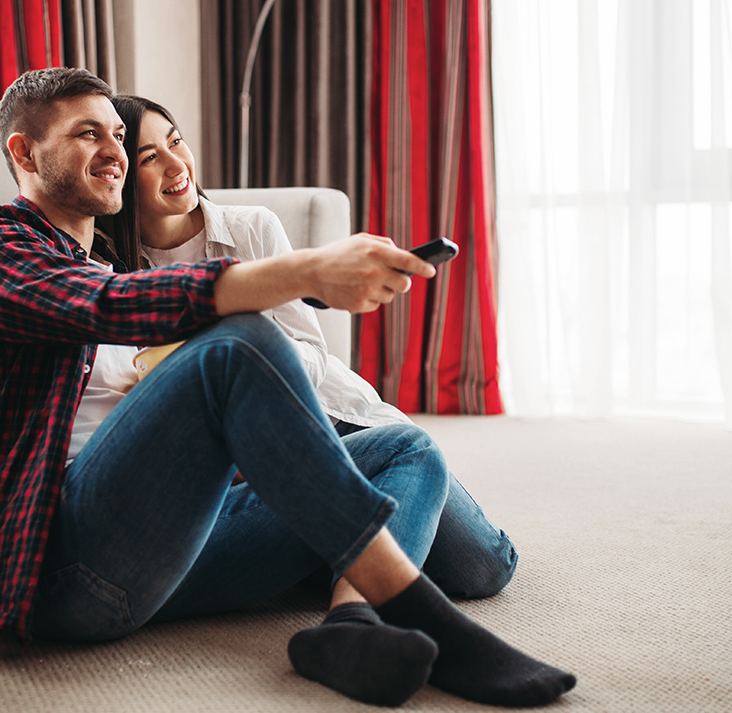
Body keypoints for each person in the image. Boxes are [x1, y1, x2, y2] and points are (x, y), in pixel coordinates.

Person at [0, 67, 575, 708]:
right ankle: (434, 624)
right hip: (62, 567)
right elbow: (106, 304)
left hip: (164, 551)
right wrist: (307, 270)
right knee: (238, 341)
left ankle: (352, 629)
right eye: (88, 134)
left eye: (118, 134)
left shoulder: (96, 264)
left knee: (405, 449)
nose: (113, 150)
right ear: (24, 151)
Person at [97, 90, 520, 614]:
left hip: (326, 417)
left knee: (481, 566)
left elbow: (313, 357)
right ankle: (349, 576)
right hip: (233, 456)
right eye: (148, 157)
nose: (175, 164)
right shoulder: (112, 273)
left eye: (175, 141)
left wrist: (242, 358)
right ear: (119, 176)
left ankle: (347, 539)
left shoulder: (251, 228)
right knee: (379, 547)